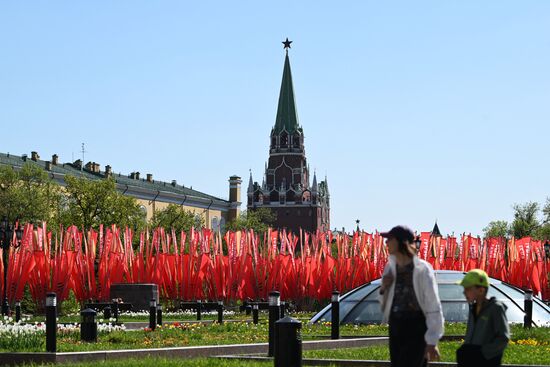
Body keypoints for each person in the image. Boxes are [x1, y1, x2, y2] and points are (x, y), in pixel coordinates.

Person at [378, 225, 444, 367]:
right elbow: (384, 303)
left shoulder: (422, 269)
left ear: (401, 242)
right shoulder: (390, 268)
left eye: (390, 239)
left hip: (416, 325)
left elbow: (433, 304)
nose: (386, 243)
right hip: (396, 325)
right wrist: (384, 287)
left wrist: (432, 340)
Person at [456, 269, 510, 367]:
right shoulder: (473, 308)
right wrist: (465, 351)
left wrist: (483, 353)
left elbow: (503, 338)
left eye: (467, 289)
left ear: (481, 290)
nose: (464, 292)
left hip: (487, 361)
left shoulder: (496, 308)